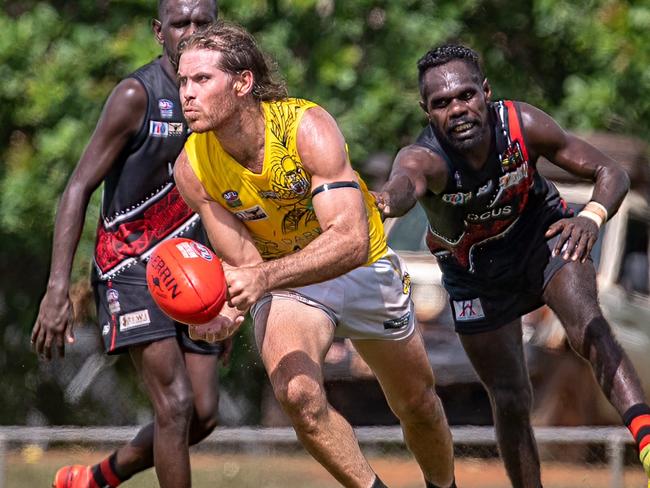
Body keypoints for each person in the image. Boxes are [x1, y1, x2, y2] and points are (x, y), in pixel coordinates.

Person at [173, 21, 456, 488]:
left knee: (418, 405)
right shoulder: (193, 166)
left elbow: (351, 241)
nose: (187, 93)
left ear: (243, 83)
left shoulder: (307, 126)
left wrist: (261, 278)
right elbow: (244, 262)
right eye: (183, 81)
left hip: (364, 268)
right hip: (289, 287)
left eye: (202, 80)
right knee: (298, 396)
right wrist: (223, 307)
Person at [375, 43, 650, 488]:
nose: (458, 110)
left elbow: (610, 173)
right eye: (442, 104)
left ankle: (647, 442)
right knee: (510, 397)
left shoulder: (522, 124)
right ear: (428, 113)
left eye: (466, 95)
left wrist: (591, 216)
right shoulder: (424, 158)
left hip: (542, 240)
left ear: (486, 92)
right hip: (475, 273)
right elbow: (404, 185)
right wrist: (384, 201)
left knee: (589, 330)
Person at [30, 2, 225, 487]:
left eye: (205, 23)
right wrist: (58, 288)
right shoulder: (137, 95)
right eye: (182, 23)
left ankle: (96, 479)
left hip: (193, 265)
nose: (193, 32)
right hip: (130, 267)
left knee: (203, 414)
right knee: (175, 405)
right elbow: (77, 188)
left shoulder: (226, 96)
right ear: (160, 31)